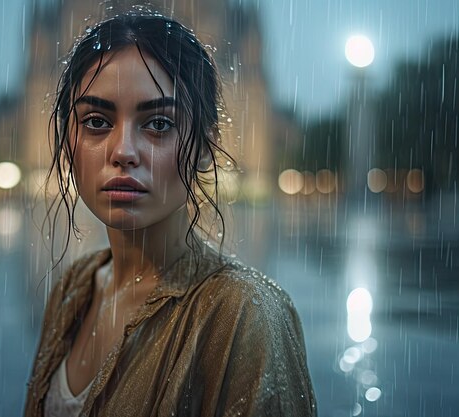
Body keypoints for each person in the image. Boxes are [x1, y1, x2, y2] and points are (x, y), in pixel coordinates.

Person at [24, 11, 316, 417]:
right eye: (96, 121)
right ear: (67, 138)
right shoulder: (71, 289)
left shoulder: (243, 314)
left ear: (205, 146)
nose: (123, 151)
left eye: (158, 122)